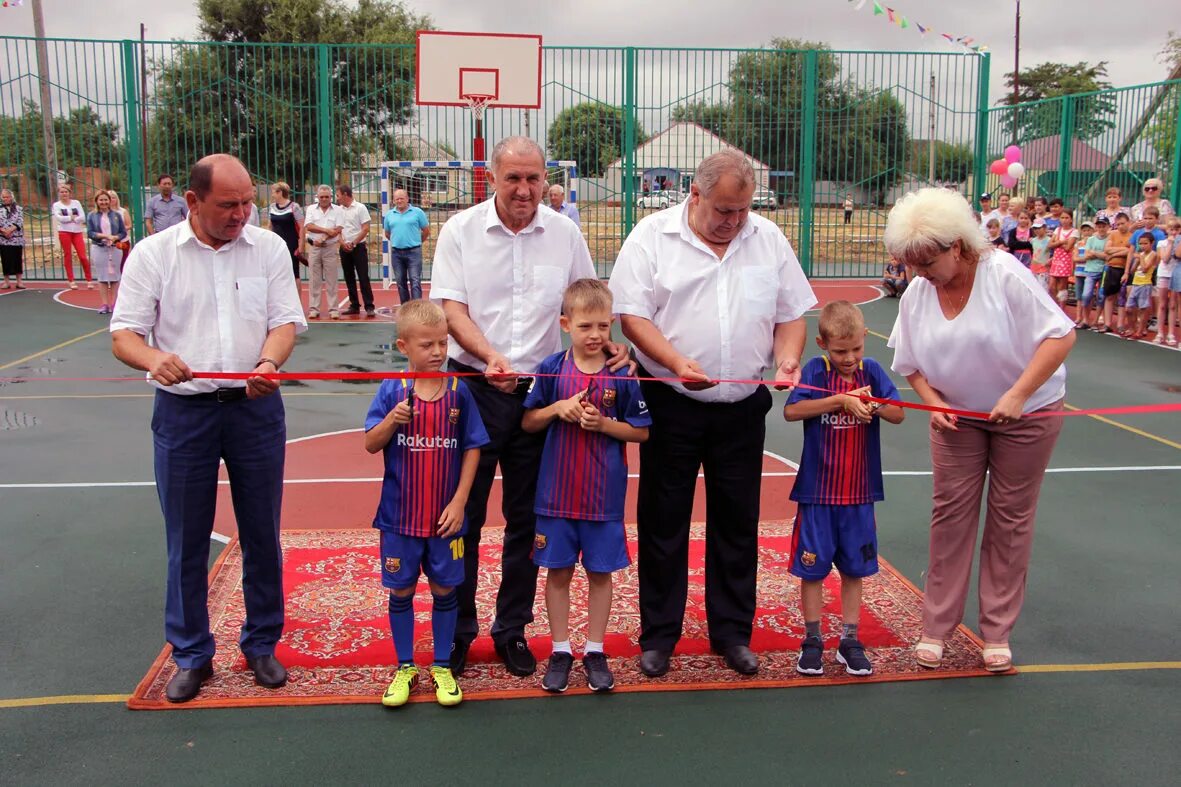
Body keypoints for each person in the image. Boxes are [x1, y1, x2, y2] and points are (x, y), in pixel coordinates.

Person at [609, 148, 817, 678]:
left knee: (737, 523)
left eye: (742, 210)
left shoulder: (766, 239)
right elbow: (632, 316)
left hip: (742, 410)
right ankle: (659, 636)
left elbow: (792, 314)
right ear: (694, 195)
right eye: (723, 210)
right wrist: (677, 362)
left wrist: (789, 358)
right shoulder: (652, 237)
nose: (733, 222)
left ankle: (731, 633)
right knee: (663, 522)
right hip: (671, 403)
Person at [110, 153, 307, 703]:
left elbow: (284, 322)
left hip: (255, 409)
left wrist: (269, 363)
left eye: (248, 202)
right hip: (184, 413)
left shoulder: (267, 248)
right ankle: (192, 653)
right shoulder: (153, 255)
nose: (242, 214)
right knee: (186, 538)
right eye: (228, 205)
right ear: (192, 202)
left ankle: (262, 642)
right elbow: (124, 334)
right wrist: (153, 359)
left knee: (262, 532)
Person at [431, 136, 619, 678]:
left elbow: (587, 295)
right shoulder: (460, 231)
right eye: (513, 178)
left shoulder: (564, 231)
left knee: (528, 521)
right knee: (461, 518)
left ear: (545, 178)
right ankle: (459, 631)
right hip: (472, 388)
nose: (524, 189)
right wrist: (490, 355)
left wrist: (610, 344)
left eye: (534, 178)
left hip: (541, 394)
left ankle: (511, 630)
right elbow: (451, 308)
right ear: (491, 177)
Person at [885, 187, 1075, 672]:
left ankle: (997, 632)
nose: (919, 273)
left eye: (927, 261)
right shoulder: (918, 293)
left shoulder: (1004, 275)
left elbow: (1060, 335)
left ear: (958, 246)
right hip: (958, 419)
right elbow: (909, 361)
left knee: (1010, 520)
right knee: (950, 516)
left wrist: (1017, 395)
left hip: (1027, 414)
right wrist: (933, 402)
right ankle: (936, 628)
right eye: (911, 263)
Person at [521, 279, 651, 693]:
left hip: (602, 500)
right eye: (584, 327)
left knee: (600, 574)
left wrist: (604, 424)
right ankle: (561, 650)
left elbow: (642, 433)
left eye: (601, 326)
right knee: (556, 573)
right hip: (555, 497)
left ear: (610, 324)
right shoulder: (550, 369)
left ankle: (594, 650)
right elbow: (527, 421)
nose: (594, 335)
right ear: (565, 324)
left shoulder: (622, 375)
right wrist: (557, 408)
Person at [364, 299, 490, 708]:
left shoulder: (459, 391)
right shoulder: (391, 391)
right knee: (401, 590)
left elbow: (473, 448)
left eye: (442, 343)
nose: (437, 352)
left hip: (445, 520)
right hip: (399, 518)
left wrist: (460, 501)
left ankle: (441, 665)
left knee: (444, 586)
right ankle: (404, 666)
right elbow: (370, 443)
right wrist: (390, 422)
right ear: (404, 347)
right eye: (427, 345)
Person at [783, 301, 905, 677]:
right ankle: (812, 640)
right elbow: (791, 411)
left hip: (859, 492)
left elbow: (899, 413)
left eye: (855, 348)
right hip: (817, 493)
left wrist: (875, 404)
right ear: (822, 343)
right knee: (812, 571)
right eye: (840, 351)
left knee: (855, 569)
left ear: (864, 339)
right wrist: (839, 401)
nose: (849, 358)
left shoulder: (873, 371)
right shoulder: (816, 371)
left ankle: (850, 640)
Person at [302, 184, 344, 320]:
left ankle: (333, 309)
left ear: (331, 197)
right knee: (314, 280)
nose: (324, 199)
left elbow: (338, 229)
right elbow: (309, 226)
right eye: (322, 197)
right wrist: (326, 231)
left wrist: (325, 237)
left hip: (330, 248)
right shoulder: (311, 209)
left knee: (332, 279)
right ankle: (314, 309)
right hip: (314, 248)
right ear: (317, 197)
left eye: (327, 196)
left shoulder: (338, 210)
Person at [382, 189, 429, 304]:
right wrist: (398, 242)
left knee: (415, 280)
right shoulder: (389, 215)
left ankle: (417, 306)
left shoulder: (417, 212)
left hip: (414, 252)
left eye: (401, 198)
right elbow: (387, 233)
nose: (399, 201)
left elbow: (426, 230)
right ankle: (405, 306)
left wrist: (416, 242)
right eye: (396, 199)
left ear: (407, 199)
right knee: (400, 282)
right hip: (396, 253)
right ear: (393, 200)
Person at [335, 184, 375, 317]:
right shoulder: (338, 210)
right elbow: (337, 230)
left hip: (358, 247)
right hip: (344, 248)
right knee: (348, 277)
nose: (337, 198)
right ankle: (354, 305)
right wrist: (342, 243)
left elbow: (365, 228)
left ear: (345, 194)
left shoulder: (360, 208)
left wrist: (354, 242)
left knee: (363, 276)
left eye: (338, 195)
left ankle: (369, 305)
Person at [86, 190, 128, 315]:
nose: (103, 202)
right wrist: (103, 236)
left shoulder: (116, 215)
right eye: (101, 200)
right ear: (97, 201)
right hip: (99, 248)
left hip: (114, 248)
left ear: (110, 201)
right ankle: (105, 304)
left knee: (115, 276)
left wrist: (115, 237)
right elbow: (90, 233)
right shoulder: (91, 216)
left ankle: (115, 303)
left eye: (106, 200)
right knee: (102, 277)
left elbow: (123, 232)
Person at [51, 183, 91, 289]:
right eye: (62, 192)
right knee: (68, 255)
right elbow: (59, 218)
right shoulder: (56, 205)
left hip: (77, 232)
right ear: (59, 193)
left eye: (66, 192)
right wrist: (71, 218)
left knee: (82, 256)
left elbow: (82, 216)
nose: (64, 194)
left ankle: (89, 279)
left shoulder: (76, 203)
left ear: (70, 193)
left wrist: (74, 219)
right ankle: (71, 280)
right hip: (64, 232)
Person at [1122, 234, 1157, 340]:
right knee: (1128, 308)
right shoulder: (1140, 254)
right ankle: (1132, 328)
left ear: (1152, 243)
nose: (1142, 246)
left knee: (1143, 309)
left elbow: (1146, 268)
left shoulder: (1153, 254)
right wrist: (1136, 260)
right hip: (1135, 283)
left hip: (1145, 284)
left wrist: (1140, 257)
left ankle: (1140, 331)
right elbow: (1133, 270)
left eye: (1145, 243)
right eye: (1140, 244)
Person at [266, 182, 304, 281]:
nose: (272, 195)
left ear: (280, 192)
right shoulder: (272, 207)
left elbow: (302, 227)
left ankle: (297, 296)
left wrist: (301, 245)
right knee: (277, 272)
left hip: (291, 244)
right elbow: (270, 226)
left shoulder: (294, 207)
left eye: (274, 192)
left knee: (294, 273)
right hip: (276, 244)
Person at [1155, 218, 1180, 345]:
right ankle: (1160, 333)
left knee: (1173, 305)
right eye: (1171, 229)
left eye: (1176, 229)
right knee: (1162, 304)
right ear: (1167, 230)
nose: (1174, 232)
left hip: (1175, 276)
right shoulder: (1161, 243)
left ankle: (1171, 333)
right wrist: (1170, 244)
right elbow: (1164, 259)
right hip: (1164, 274)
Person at [1047, 210, 1078, 303]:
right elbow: (1050, 245)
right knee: (1051, 286)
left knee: (1062, 286)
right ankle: (1055, 304)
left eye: (1067, 218)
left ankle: (1062, 308)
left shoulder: (1074, 231)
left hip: (1066, 261)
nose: (1064, 220)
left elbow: (1068, 247)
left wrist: (1057, 242)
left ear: (1071, 219)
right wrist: (1061, 242)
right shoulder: (1057, 229)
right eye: (1062, 218)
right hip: (1056, 260)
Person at [1073, 221, 1099, 328]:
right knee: (1079, 296)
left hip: (1090, 272)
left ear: (1093, 231)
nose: (1086, 232)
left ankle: (1086, 317)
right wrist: (1085, 258)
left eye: (1089, 230)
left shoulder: (1094, 243)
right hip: (1079, 272)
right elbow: (1075, 258)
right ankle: (1079, 317)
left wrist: (1087, 258)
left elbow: (1094, 256)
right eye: (1084, 230)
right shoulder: (1078, 244)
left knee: (1087, 296)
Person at [0, 188, 25, 289]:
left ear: (11, 197)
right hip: (3, 238)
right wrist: (4, 231)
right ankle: (6, 281)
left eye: (7, 197)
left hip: (16, 238)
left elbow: (20, 220)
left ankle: (19, 281)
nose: (5, 199)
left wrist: (11, 229)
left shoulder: (18, 209)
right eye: (3, 197)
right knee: (5, 259)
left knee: (17, 259)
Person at [107, 191, 133, 269]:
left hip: (122, 240)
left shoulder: (123, 211)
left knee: (123, 261)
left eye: (113, 197)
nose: (111, 199)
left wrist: (119, 230)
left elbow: (129, 225)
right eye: (109, 197)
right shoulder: (103, 212)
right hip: (108, 240)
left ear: (117, 199)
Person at [1029, 220, 1050, 289]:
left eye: (1039, 228)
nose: (1036, 230)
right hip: (1034, 267)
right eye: (1035, 228)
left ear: (1044, 228)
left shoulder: (1049, 240)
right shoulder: (1033, 240)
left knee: (1043, 288)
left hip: (1044, 268)